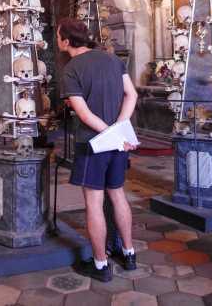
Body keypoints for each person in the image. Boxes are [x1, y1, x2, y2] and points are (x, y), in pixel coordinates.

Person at [58, 18, 138, 282]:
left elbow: (83, 113)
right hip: (118, 142)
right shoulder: (112, 59)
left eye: (58, 35)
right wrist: (120, 128)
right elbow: (132, 95)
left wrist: (109, 132)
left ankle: (101, 265)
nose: (57, 39)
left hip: (93, 144)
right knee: (117, 194)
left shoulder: (71, 69)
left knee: (93, 202)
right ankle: (128, 253)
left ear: (66, 41)